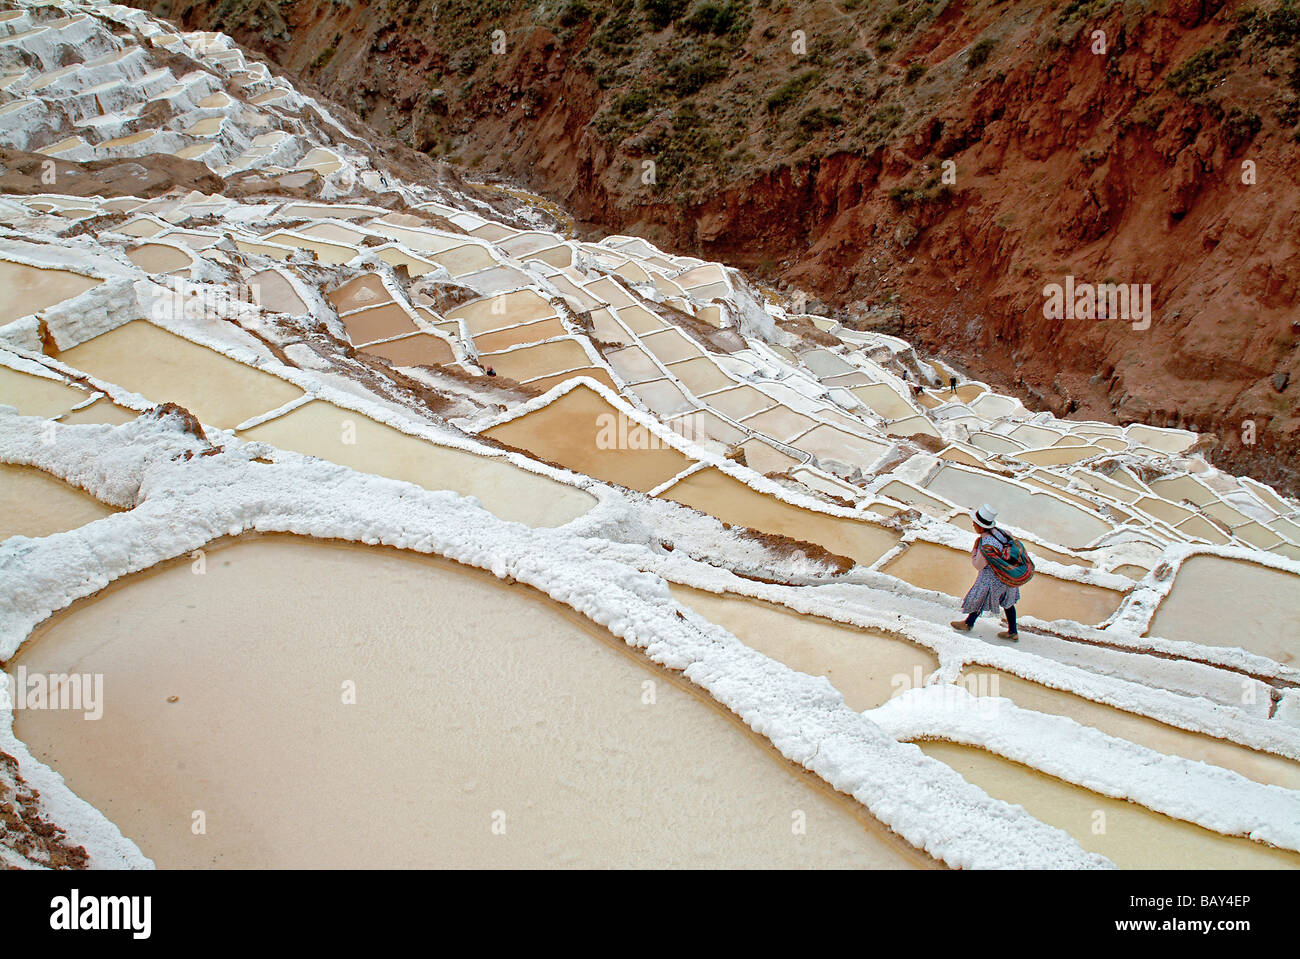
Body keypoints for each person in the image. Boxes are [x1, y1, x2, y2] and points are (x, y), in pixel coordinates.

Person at [950, 504, 1019, 640]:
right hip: (1009, 576)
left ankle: (968, 623)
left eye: (975, 523)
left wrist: (975, 550)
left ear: (981, 526)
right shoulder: (1003, 532)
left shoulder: (986, 543)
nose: (973, 525)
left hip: (992, 579)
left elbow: (979, 565)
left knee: (979, 599)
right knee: (1008, 603)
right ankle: (1013, 631)